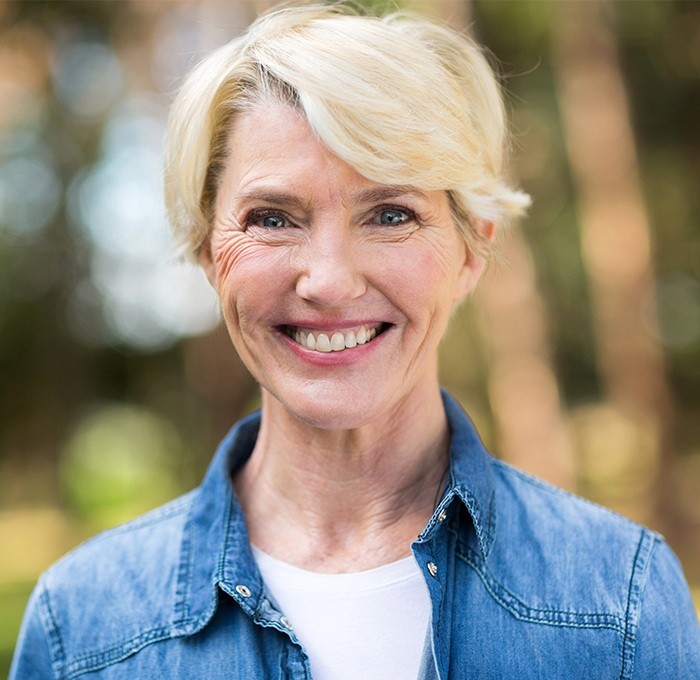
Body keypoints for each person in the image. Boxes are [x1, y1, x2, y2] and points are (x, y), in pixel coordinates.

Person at [10, 4, 699, 679]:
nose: (330, 282)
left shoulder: (622, 602)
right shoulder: (81, 630)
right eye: (273, 218)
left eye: (391, 213)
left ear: (470, 251)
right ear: (205, 254)